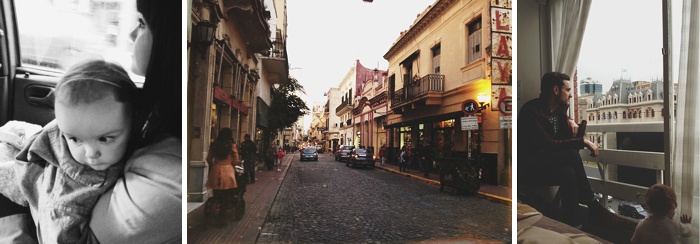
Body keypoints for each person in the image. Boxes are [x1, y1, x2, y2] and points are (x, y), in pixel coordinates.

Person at [0, 59, 138, 243]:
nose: (90, 153)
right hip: (30, 181)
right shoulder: (66, 199)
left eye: (104, 139)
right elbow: (56, 233)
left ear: (134, 121)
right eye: (74, 139)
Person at [518, 72, 602, 227]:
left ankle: (575, 226)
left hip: (546, 165)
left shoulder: (559, 112)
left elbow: (561, 141)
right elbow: (548, 144)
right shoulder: (530, 111)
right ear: (556, 90)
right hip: (528, 169)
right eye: (568, 90)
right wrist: (582, 142)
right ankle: (592, 203)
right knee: (571, 155)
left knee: (568, 174)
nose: (570, 95)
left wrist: (569, 119)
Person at [205, 128, 240, 227]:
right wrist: (231, 163)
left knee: (216, 196)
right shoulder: (231, 146)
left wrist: (214, 165)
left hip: (215, 171)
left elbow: (208, 159)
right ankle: (221, 220)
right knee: (225, 197)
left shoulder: (214, 145)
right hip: (227, 172)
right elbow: (236, 160)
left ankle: (211, 219)